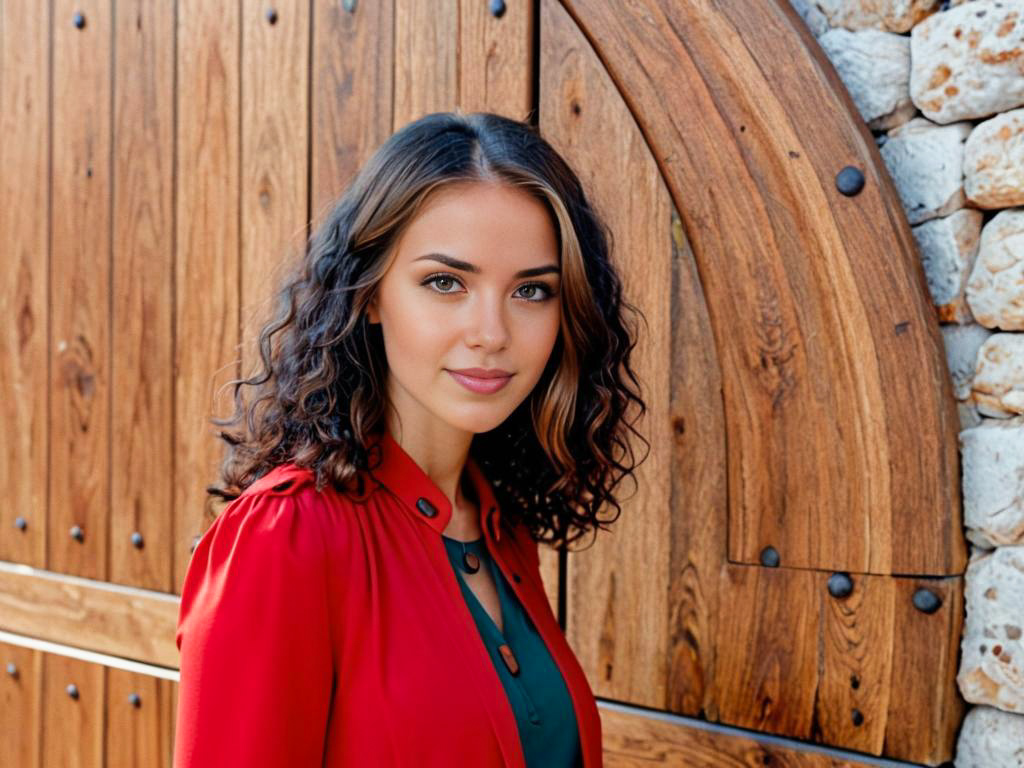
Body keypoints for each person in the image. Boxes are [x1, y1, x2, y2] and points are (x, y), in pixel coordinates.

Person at [173, 110, 648, 768]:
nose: (491, 332)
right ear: (368, 295)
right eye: (445, 282)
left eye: (532, 291)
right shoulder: (287, 536)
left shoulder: (499, 524)